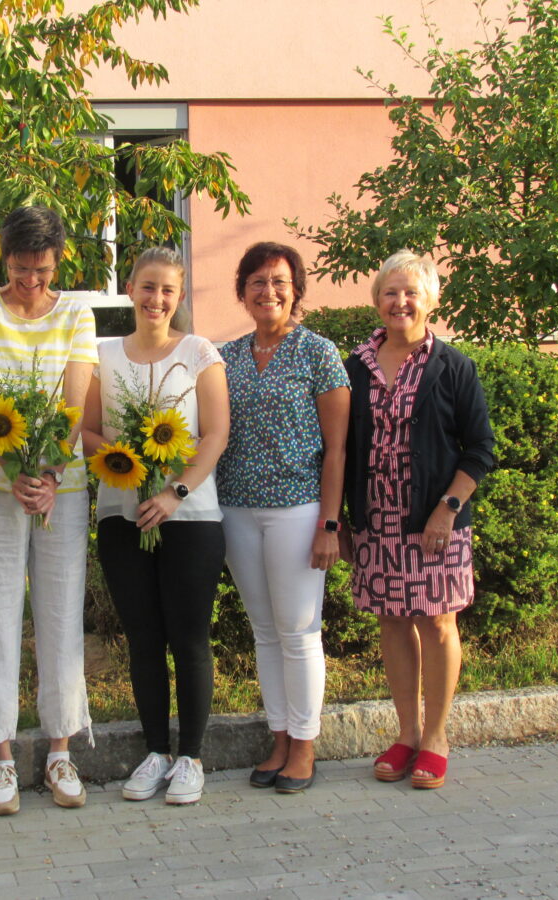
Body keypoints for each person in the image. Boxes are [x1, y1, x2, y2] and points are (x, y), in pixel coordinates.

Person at [0, 205, 96, 816]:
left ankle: (60, 749)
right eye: (18, 268)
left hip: (59, 492)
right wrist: (16, 473)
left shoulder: (77, 313)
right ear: (2, 256)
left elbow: (74, 404)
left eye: (40, 269)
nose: (29, 280)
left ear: (57, 259)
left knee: (61, 620)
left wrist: (49, 473)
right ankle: (2, 758)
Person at [82, 247, 230, 804]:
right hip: (122, 516)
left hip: (190, 517)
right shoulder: (101, 355)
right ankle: (153, 752)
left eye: (167, 290)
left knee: (189, 638)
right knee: (143, 638)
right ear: (129, 288)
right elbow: (87, 430)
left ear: (180, 297)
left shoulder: (198, 352)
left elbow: (215, 434)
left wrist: (173, 492)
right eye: (147, 287)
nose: (156, 299)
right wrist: (128, 459)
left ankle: (190, 757)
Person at [343, 249, 495, 790]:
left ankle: (436, 737)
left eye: (411, 292)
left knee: (436, 621)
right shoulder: (354, 366)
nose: (400, 301)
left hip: (436, 520)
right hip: (376, 519)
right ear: (377, 300)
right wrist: (342, 520)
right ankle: (406, 734)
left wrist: (447, 509)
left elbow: (480, 449)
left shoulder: (452, 367)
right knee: (391, 620)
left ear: (430, 300)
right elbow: (340, 447)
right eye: (390, 291)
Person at [216, 242, 350, 794]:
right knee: (265, 632)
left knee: (298, 633)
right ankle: (278, 736)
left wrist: (330, 525)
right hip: (237, 509)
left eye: (279, 281)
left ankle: (305, 745)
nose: (267, 291)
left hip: (298, 509)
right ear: (242, 291)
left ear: (295, 290)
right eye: (256, 282)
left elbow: (337, 450)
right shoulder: (224, 356)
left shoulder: (318, 353)